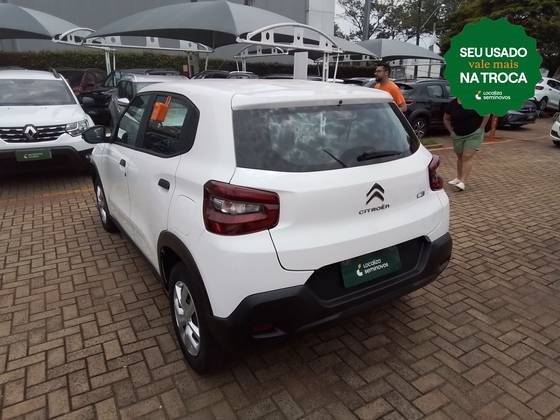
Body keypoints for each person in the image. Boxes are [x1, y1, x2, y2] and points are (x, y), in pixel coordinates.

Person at [443, 98, 489, 191]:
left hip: (474, 134)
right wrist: (451, 131)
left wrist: (481, 128)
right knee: (460, 157)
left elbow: (487, 114)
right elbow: (446, 118)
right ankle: (458, 178)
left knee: (467, 156)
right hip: (457, 135)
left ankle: (462, 182)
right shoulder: (452, 103)